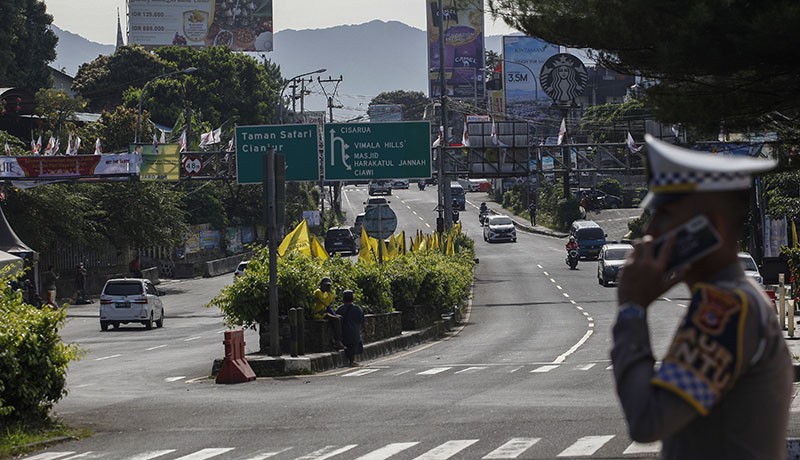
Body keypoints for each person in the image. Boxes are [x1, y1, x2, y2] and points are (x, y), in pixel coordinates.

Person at [611, 135, 791, 459]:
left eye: (664, 216)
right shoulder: (730, 298)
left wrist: (632, 308)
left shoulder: (725, 308)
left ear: (711, 228)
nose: (650, 232)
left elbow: (648, 420)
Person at [312, 277, 344, 350]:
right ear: (321, 285)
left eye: (328, 286)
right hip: (318, 314)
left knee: (340, 317)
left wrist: (329, 293)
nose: (327, 287)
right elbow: (326, 302)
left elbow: (329, 302)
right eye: (325, 285)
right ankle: (338, 341)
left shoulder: (325, 293)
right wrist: (330, 293)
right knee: (336, 319)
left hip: (324, 313)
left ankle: (337, 338)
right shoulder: (318, 292)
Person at [336, 290, 364, 367]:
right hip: (354, 331)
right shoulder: (357, 308)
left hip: (344, 331)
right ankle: (352, 361)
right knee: (353, 346)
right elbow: (362, 320)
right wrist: (364, 329)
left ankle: (351, 360)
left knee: (348, 346)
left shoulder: (340, 309)